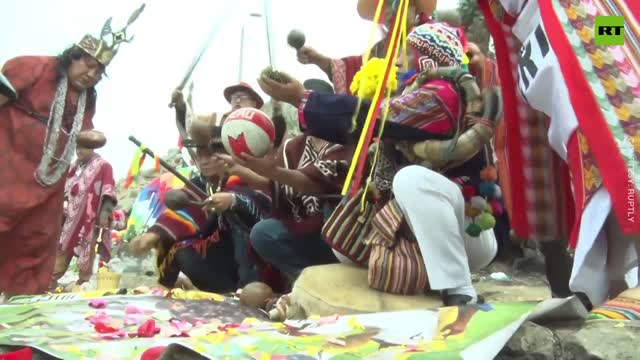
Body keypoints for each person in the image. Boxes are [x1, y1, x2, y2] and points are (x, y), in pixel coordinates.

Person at [258, 22, 500, 305]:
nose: (397, 61)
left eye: (406, 53)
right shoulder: (414, 95)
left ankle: (459, 291)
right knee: (346, 250)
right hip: (428, 236)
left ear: (428, 57)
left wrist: (302, 97)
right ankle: (417, 278)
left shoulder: (443, 95)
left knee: (411, 179)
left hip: (468, 235)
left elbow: (375, 117)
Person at [478, 0, 639, 307]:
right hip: (557, 30)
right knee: (602, 144)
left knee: (618, 130)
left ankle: (617, 280)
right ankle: (613, 281)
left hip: (587, 21)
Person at [0, 7, 143, 297]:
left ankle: (21, 309)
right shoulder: (30, 67)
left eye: (99, 72)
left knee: (36, 241)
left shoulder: (87, 97)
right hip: (8, 169)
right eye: (88, 65)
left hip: (47, 182)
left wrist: (91, 136)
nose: (91, 75)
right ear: (73, 56)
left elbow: (84, 133)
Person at [466, 41, 576, 298]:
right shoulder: (518, 24)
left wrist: (603, 41)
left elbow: (613, 34)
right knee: (552, 211)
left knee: (617, 204)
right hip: (545, 116)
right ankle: (568, 291)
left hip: (597, 98)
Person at [130, 118, 276, 293]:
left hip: (259, 265)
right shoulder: (201, 183)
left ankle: (247, 288)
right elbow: (185, 210)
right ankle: (176, 287)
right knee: (180, 250)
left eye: (210, 154)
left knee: (236, 214)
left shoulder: (249, 175)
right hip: (222, 261)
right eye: (200, 155)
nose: (203, 161)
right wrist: (153, 235)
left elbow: (262, 203)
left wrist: (232, 200)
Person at [216, 98, 350, 281]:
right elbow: (273, 183)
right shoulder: (293, 146)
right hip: (301, 226)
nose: (309, 113)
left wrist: (271, 170)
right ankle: (309, 281)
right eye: (305, 109)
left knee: (332, 210)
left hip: (338, 228)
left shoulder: (345, 144)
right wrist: (237, 168)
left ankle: (341, 277)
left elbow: (312, 185)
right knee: (263, 233)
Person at [50, 144, 117, 289]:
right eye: (77, 148)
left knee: (88, 249)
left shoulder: (103, 166)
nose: (79, 151)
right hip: (70, 218)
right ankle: (51, 279)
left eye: (84, 148)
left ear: (92, 148)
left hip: (90, 218)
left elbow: (108, 189)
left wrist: (105, 212)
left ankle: (84, 283)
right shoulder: (74, 166)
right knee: (62, 247)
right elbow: (65, 188)